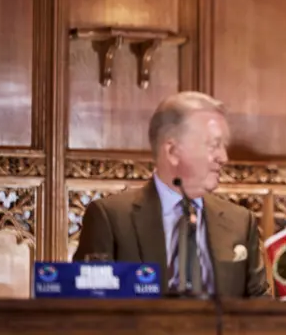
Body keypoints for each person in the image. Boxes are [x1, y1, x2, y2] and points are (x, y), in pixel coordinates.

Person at [74, 92, 269, 298]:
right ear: (173, 151)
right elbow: (88, 310)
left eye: (223, 146)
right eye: (214, 145)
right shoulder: (111, 219)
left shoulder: (240, 222)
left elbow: (261, 307)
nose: (223, 157)